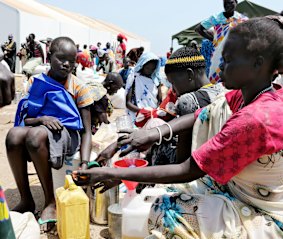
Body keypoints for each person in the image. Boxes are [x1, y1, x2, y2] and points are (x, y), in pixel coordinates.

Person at [73, 17, 283, 238]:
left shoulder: (254, 119)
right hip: (237, 190)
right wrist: (155, 133)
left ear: (258, 64)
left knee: (166, 211)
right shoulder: (251, 96)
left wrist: (111, 172)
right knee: (158, 195)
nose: (219, 65)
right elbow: (203, 114)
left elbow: (187, 170)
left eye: (228, 60)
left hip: (266, 213)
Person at [5, 36, 95, 232]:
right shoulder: (36, 82)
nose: (66, 64)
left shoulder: (79, 87)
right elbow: (26, 119)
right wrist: (42, 119)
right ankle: (26, 199)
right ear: (49, 57)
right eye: (61, 58)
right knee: (13, 135)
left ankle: (51, 202)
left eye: (71, 61)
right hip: (39, 128)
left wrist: (86, 163)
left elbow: (87, 131)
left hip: (67, 135)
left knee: (35, 136)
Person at [195, 0, 248, 83]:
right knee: (215, 78)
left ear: (236, 3)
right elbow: (199, 29)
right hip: (217, 53)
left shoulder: (242, 19)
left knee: (233, 79)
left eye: (231, 2)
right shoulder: (216, 18)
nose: (228, 5)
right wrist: (214, 40)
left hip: (234, 53)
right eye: (225, 3)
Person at [125, 52, 162, 123]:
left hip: (152, 116)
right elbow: (128, 103)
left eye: (152, 69)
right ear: (142, 65)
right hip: (137, 115)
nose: (149, 71)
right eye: (147, 68)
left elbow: (160, 101)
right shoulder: (134, 78)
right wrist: (142, 111)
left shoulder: (156, 80)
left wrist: (154, 112)